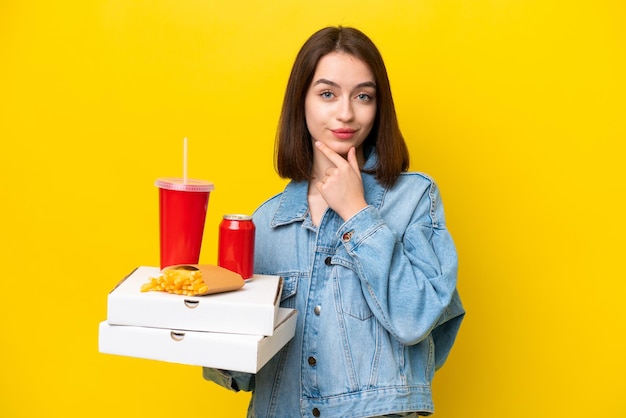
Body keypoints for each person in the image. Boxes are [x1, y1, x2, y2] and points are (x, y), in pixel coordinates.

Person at [203, 26, 465, 418]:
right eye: (327, 94)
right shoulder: (266, 221)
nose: (346, 113)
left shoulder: (414, 199)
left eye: (363, 96)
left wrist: (357, 212)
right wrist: (198, 318)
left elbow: (417, 321)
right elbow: (239, 374)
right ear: (301, 103)